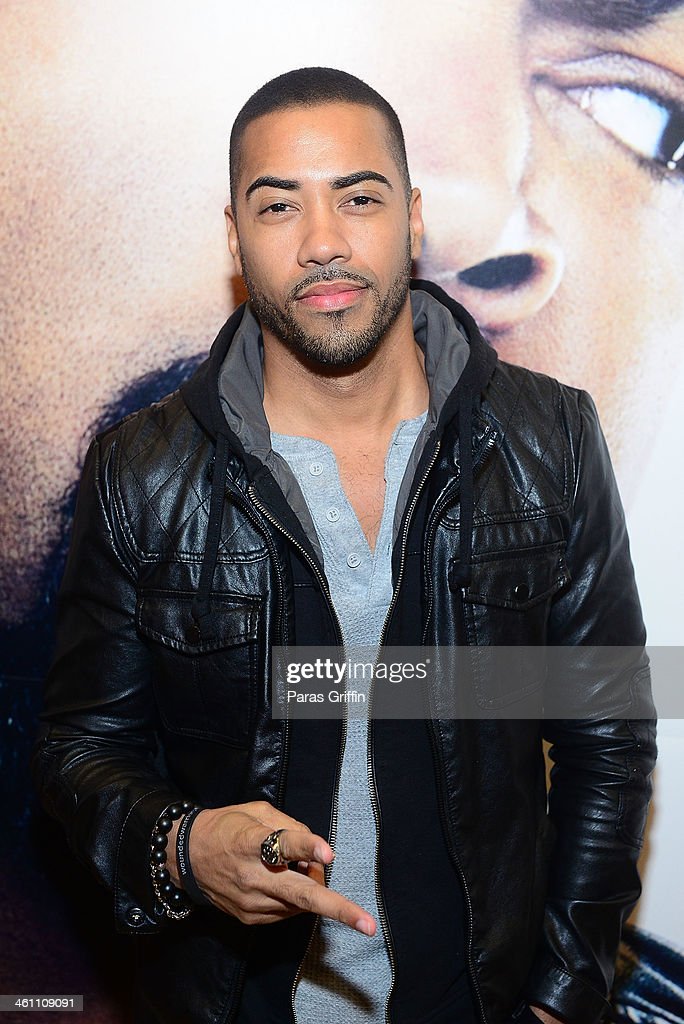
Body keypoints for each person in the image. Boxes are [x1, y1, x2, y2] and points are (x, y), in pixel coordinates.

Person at [33, 67, 656, 1024]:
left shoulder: (550, 439)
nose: (322, 242)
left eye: (358, 198)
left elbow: (606, 735)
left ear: (413, 217)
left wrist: (560, 1000)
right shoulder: (142, 471)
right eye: (278, 206)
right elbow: (81, 748)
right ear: (235, 236)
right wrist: (180, 845)